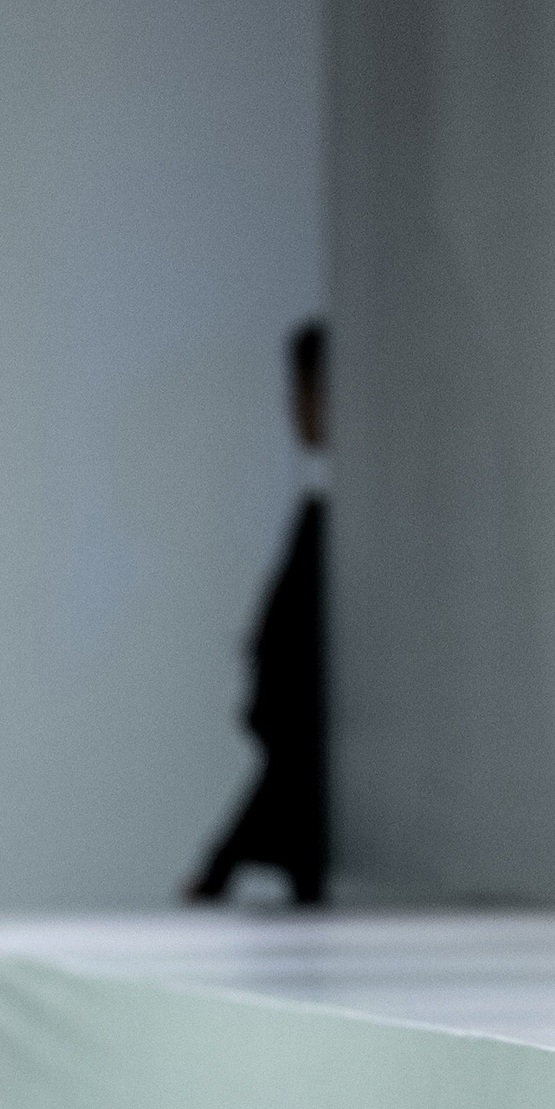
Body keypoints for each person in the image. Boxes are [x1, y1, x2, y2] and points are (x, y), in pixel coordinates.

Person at [186, 319, 330, 906]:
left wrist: (221, 862)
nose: (294, 412)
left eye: (302, 393)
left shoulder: (333, 536)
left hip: (326, 820)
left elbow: (298, 717)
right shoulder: (321, 528)